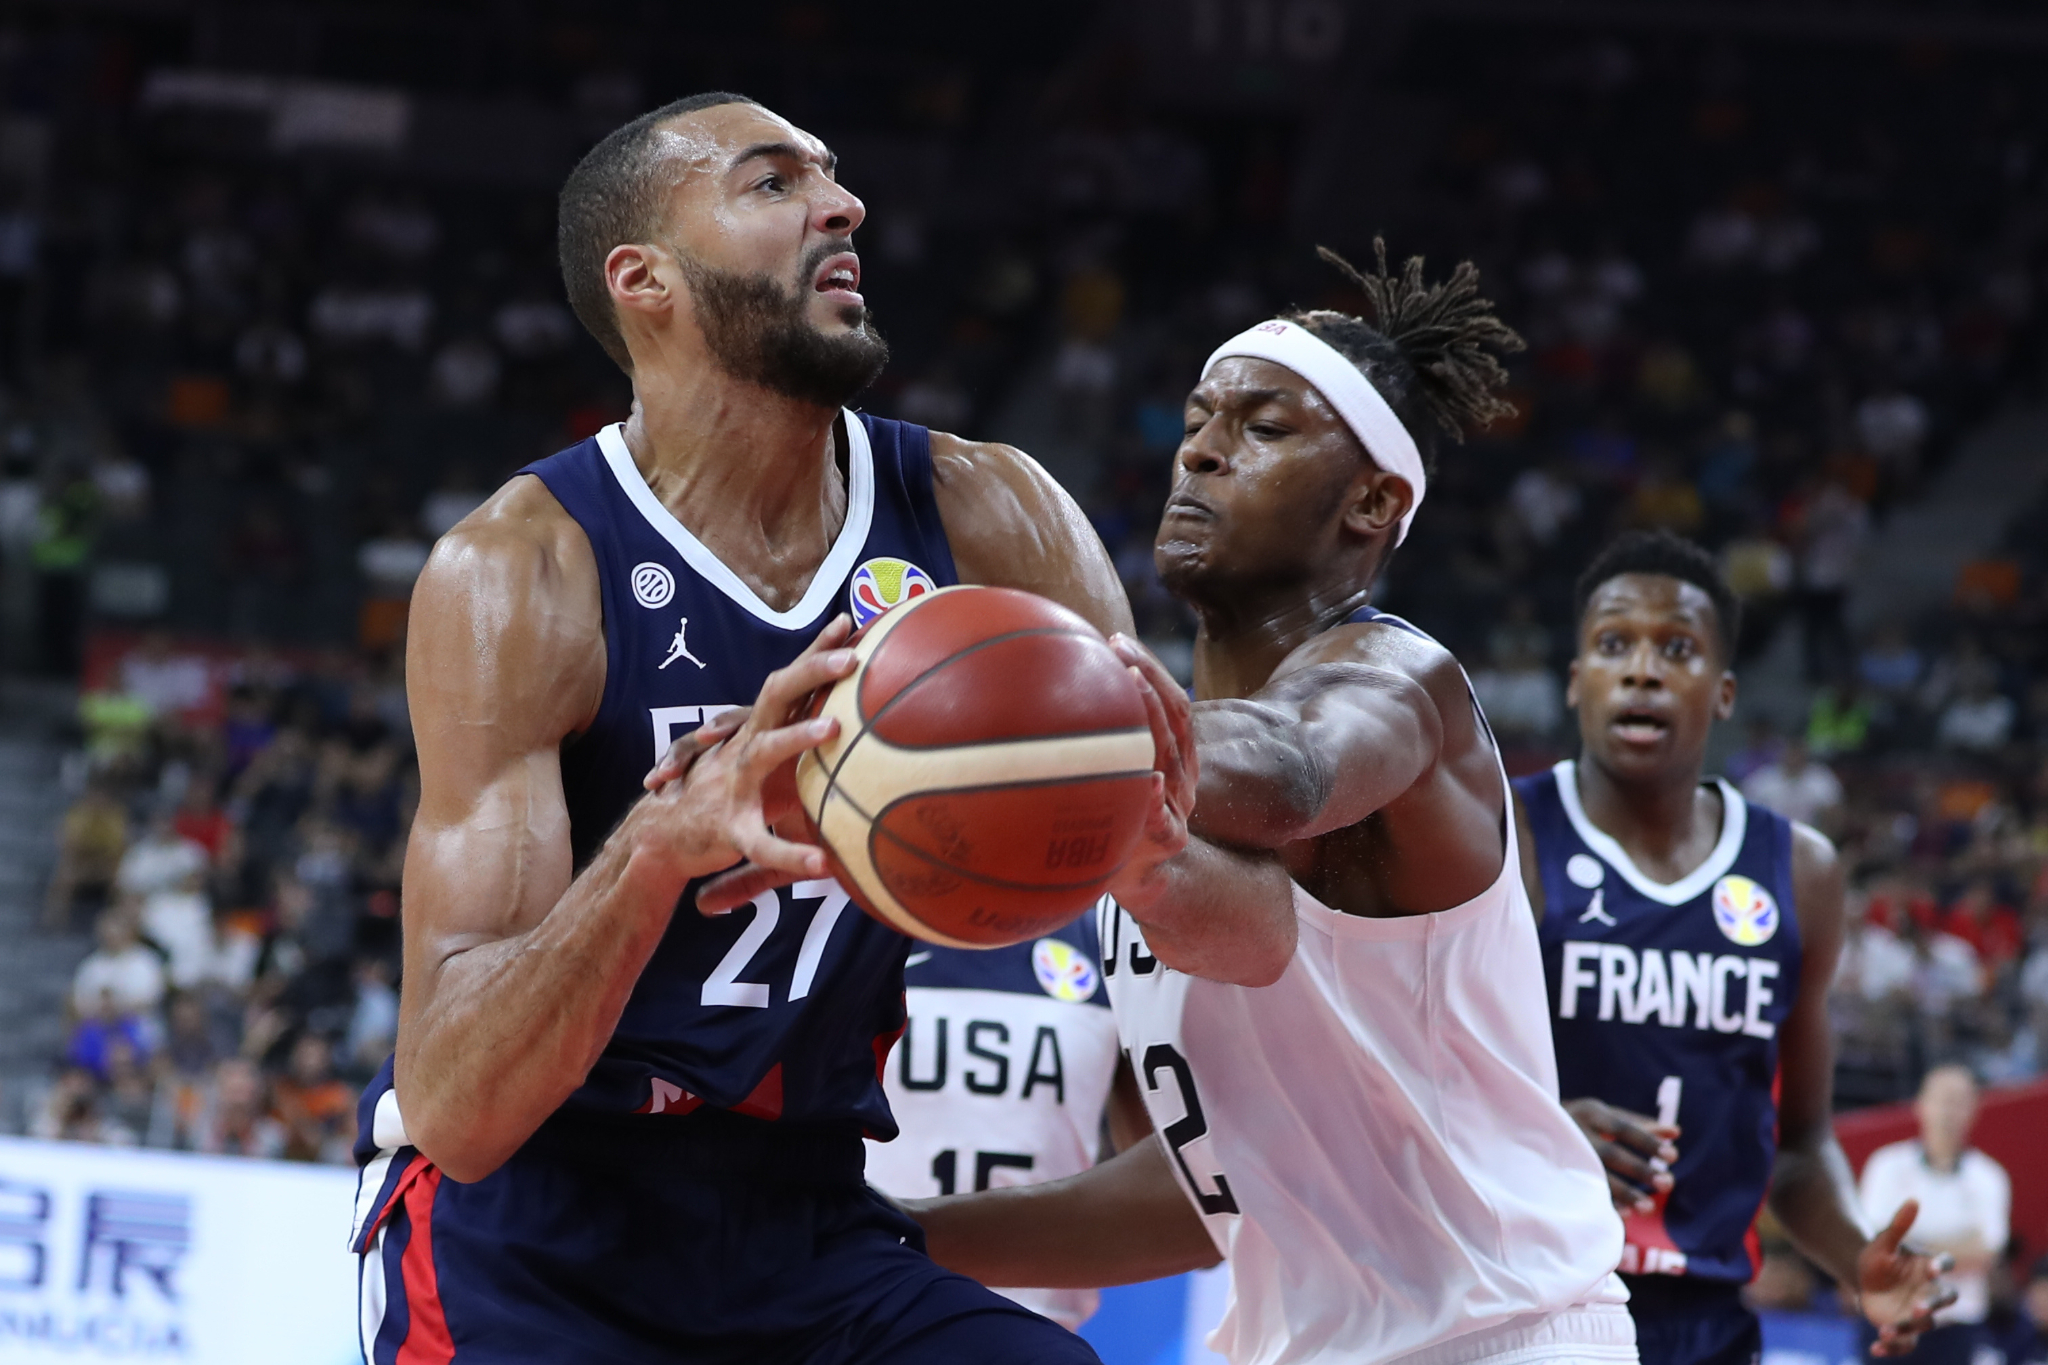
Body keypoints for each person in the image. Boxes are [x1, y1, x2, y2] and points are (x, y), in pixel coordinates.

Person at [349, 91, 1184, 1365]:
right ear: (644, 281)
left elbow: (1200, 888)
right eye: (772, 183)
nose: (842, 206)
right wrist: (656, 848)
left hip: (807, 1210)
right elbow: (460, 1111)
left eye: (833, 177)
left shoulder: (989, 513)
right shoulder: (520, 572)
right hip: (534, 1224)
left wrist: (1147, 846)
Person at [913, 243, 1642, 1365]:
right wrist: (892, 1235)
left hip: (1505, 1335)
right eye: (1197, 420)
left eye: (1261, 427)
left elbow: (1293, 771)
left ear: (1371, 502)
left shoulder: (1403, 685)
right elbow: (1218, 1179)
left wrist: (1005, 731)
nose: (1201, 449)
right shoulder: (1149, 806)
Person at [1516, 529, 1953, 1365]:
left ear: (1723, 693)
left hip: (1708, 1323)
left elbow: (1799, 1146)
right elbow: (1409, 1081)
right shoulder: (1507, 837)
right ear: (1576, 681)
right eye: (1614, 644)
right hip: (1529, 1304)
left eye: (1676, 648)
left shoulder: (1800, 870)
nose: (1642, 670)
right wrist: (1530, 1133)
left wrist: (1858, 1257)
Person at [863, 921, 1142, 1333]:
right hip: (859, 1313)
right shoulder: (841, 931)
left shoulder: (1107, 936)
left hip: (1035, 1326)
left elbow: (1184, 1188)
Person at [1858, 1066, 2011, 1365]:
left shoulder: (1989, 1177)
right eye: (1941, 1099)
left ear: (1974, 1110)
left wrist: (1912, 1249)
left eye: (1959, 1101)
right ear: (1920, 1104)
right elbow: (1878, 1248)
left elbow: (1984, 1255)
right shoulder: (1886, 1166)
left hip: (1955, 1328)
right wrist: (1958, 1246)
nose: (1948, 1111)